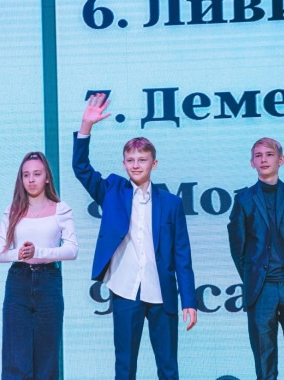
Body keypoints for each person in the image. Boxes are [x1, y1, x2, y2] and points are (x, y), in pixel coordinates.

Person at [72, 93, 197, 380]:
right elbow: (81, 169)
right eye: (130, 160)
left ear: (154, 164)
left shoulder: (171, 203)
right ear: (124, 163)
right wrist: (85, 127)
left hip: (161, 291)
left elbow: (182, 255)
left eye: (142, 160)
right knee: (125, 366)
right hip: (126, 289)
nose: (136, 165)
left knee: (168, 367)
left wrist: (189, 300)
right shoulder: (112, 191)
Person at [227, 138, 284, 380]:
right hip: (261, 289)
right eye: (258, 155)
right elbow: (238, 246)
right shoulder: (244, 199)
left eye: (269, 154)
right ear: (252, 163)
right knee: (265, 365)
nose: (264, 159)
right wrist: (253, 276)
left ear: (281, 160)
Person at [0, 151, 78, 380]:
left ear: (47, 177)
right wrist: (20, 254)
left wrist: (38, 252)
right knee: (15, 359)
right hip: (18, 282)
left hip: (48, 281)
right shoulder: (12, 210)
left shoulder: (61, 209)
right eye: (26, 175)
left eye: (37, 174)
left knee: (47, 358)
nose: (31, 180)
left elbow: (72, 250)